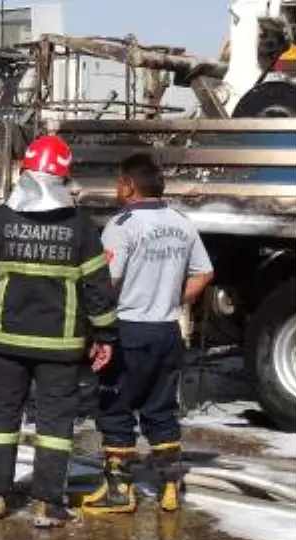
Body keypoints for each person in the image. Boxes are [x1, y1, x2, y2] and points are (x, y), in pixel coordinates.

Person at [0, 135, 119, 528]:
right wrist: (105, 337)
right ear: (63, 178)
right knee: (54, 424)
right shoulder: (80, 228)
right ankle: (47, 504)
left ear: (25, 172)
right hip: (61, 348)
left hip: (7, 343)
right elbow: (98, 290)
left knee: (1, 417)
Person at [81, 153, 215, 515]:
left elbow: (107, 281)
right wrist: (172, 297)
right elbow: (204, 273)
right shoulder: (182, 223)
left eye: (117, 182)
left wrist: (94, 326)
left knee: (116, 407)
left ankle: (119, 489)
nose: (115, 188)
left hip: (129, 331)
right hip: (167, 330)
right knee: (161, 409)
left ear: (129, 185)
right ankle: (170, 485)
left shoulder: (122, 226)